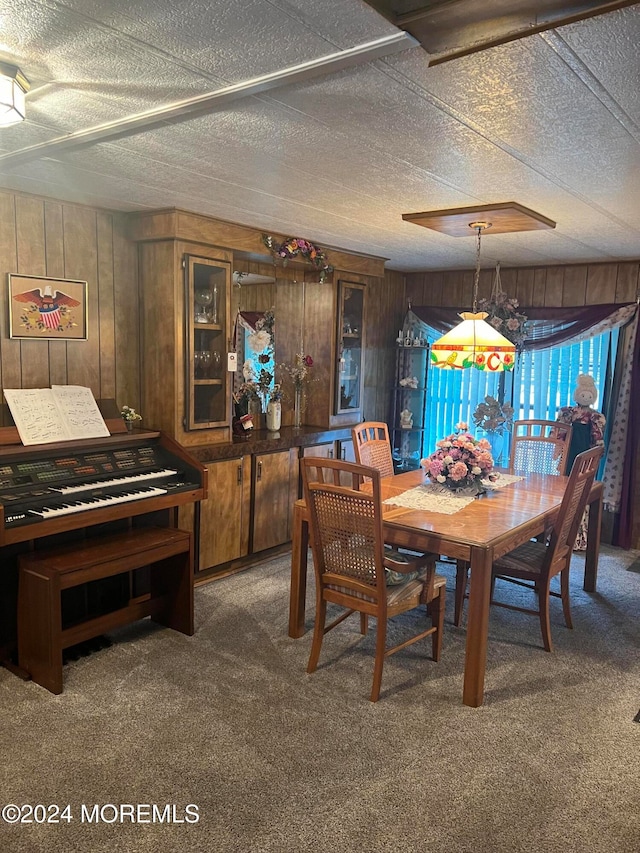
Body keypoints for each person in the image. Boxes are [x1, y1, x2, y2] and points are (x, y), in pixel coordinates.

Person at [556, 374, 606, 550]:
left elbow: (597, 440)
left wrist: (597, 455)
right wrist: (557, 449)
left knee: (579, 492)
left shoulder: (595, 417)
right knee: (563, 489)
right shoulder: (568, 413)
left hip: (585, 457)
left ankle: (577, 536)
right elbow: (559, 433)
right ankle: (558, 532)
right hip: (568, 456)